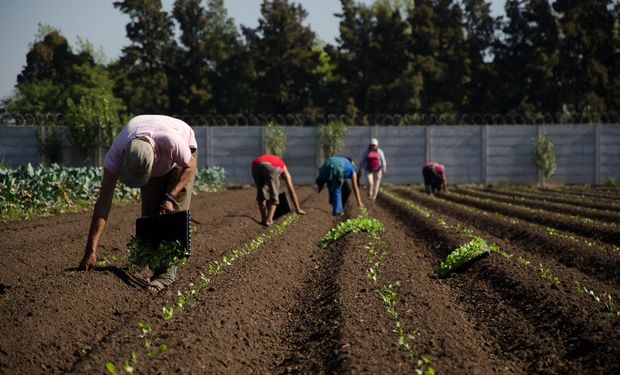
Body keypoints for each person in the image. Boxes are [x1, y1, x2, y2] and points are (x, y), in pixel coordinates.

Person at [78, 115, 198, 293]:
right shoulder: (117, 153)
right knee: (150, 215)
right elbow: (103, 203)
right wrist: (90, 250)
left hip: (180, 158)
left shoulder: (172, 142)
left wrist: (170, 197)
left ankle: (165, 275)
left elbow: (191, 165)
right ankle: (155, 264)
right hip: (154, 153)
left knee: (173, 214)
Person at [251, 154, 306, 226]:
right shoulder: (284, 169)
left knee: (261, 193)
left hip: (255, 165)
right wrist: (297, 209)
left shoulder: (275, 162)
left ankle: (263, 219)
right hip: (268, 166)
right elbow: (291, 191)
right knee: (275, 196)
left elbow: (267, 187)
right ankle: (269, 220)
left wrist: (271, 190)